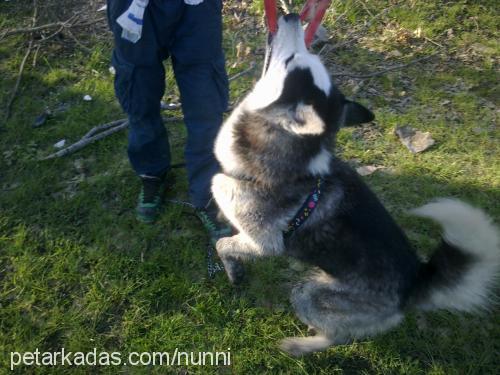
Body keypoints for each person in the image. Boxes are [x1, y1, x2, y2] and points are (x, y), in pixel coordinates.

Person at [106, 0, 231, 243]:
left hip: (197, 8)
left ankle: (207, 192)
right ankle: (151, 172)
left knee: (205, 96)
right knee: (138, 90)